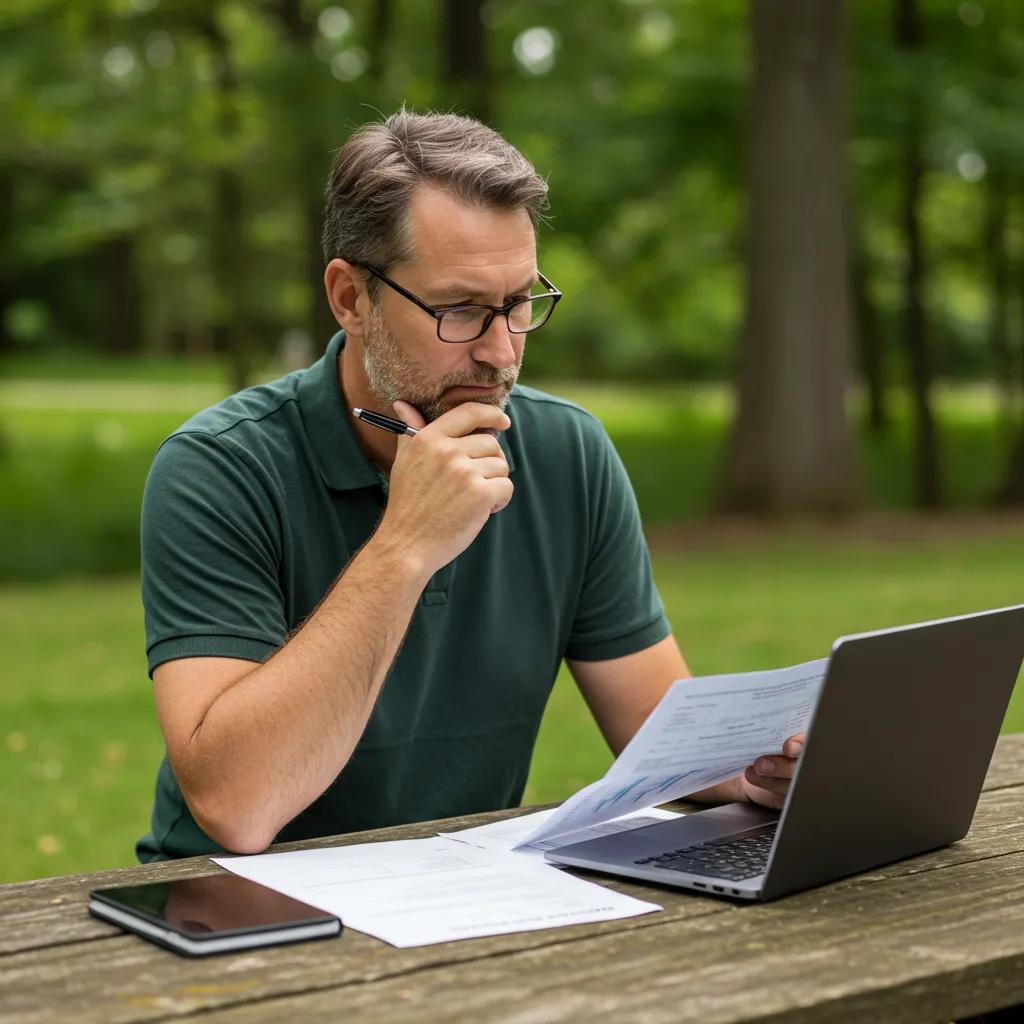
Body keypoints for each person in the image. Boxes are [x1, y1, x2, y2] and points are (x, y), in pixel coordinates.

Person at [137, 110, 802, 862]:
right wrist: (406, 546)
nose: (501, 352)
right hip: (241, 914)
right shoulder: (219, 469)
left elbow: (665, 739)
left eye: (520, 303)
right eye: (459, 310)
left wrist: (756, 770)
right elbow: (236, 806)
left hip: (460, 896)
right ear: (351, 298)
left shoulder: (565, 452)